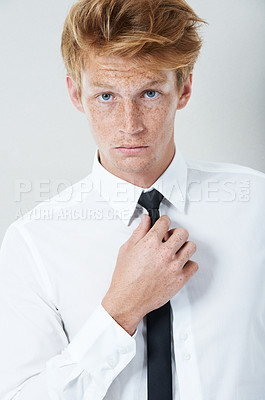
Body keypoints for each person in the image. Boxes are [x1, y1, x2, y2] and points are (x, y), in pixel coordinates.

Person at [0, 0, 264, 399]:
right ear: (76, 94)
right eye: (106, 96)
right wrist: (120, 311)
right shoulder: (33, 243)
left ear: (184, 88)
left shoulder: (256, 206)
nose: (130, 124)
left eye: (150, 93)